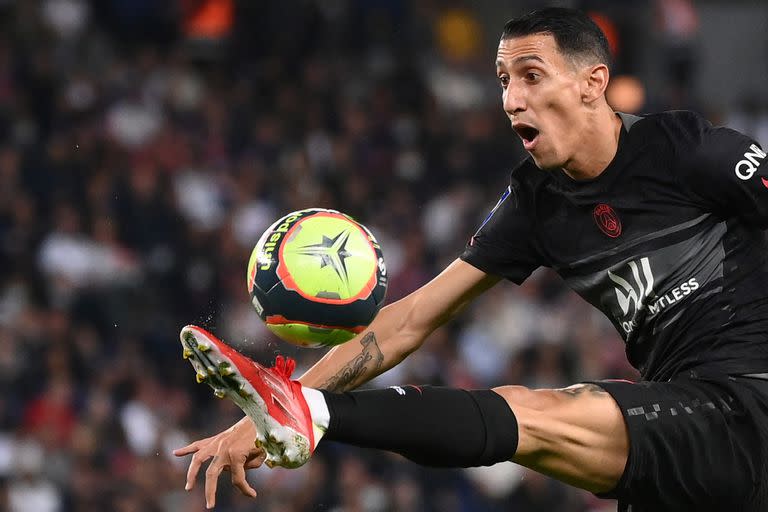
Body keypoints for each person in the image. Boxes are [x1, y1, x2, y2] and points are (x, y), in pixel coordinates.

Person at [173, 8, 768, 511]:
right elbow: (408, 321)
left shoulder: (690, 152)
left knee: (536, 412)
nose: (512, 100)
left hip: (748, 400)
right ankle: (305, 413)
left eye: (531, 76)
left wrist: (304, 408)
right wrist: (280, 405)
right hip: (689, 425)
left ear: (593, 82)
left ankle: (314, 416)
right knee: (543, 415)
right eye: (504, 81)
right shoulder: (536, 205)